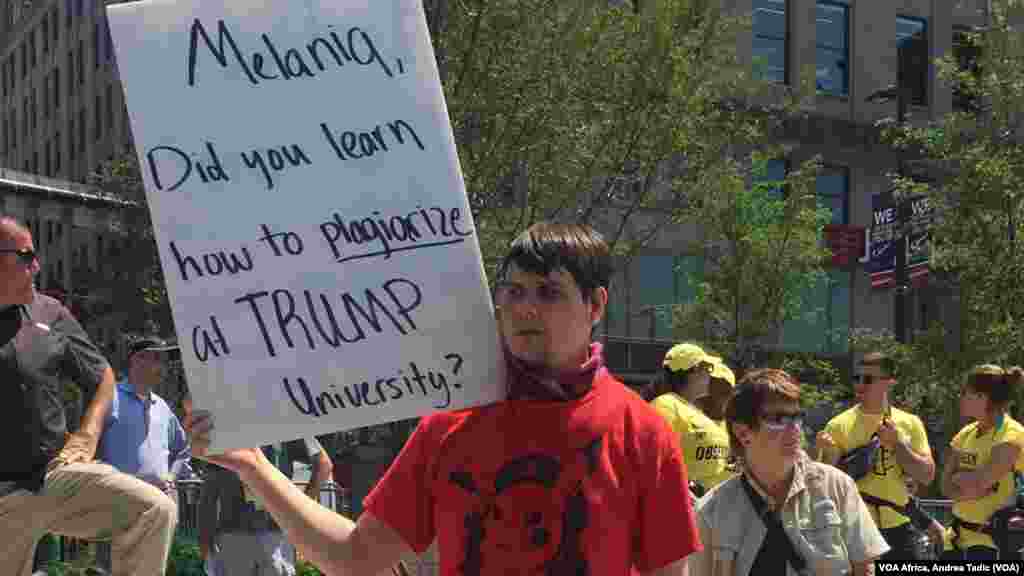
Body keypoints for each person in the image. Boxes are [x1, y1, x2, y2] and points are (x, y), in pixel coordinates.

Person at [191, 222, 700, 575]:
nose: (524, 308)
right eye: (513, 291)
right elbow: (353, 557)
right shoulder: (451, 424)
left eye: (549, 293)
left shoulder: (644, 433)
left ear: (595, 304)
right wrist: (254, 466)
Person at [0, 215, 177, 575]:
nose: (37, 265)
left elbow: (102, 376)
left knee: (153, 509)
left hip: (52, 479)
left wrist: (87, 434)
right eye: (26, 255)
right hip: (5, 499)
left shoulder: (50, 312)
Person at [689, 368, 889, 576]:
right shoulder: (711, 511)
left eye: (797, 417)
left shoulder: (837, 486)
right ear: (743, 433)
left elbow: (866, 568)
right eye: (778, 419)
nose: (794, 428)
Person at [815, 352, 936, 560]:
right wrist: (827, 457)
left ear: (889, 382)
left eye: (868, 379)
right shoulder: (838, 425)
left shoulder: (910, 422)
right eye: (857, 378)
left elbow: (927, 475)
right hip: (855, 528)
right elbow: (823, 488)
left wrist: (897, 444)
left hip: (899, 527)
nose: (860, 385)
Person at [198, 437, 333, 575]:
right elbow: (209, 486)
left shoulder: (286, 421)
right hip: (239, 534)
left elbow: (324, 465)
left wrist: (300, 512)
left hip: (268, 535)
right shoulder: (226, 427)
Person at [941, 364, 1024, 560]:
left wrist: (962, 479)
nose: (960, 398)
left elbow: (979, 485)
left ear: (983, 397)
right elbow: (945, 484)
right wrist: (969, 482)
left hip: (992, 544)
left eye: (965, 393)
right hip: (955, 538)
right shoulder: (966, 433)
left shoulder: (1012, 435)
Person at [98, 336, 194, 497]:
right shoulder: (109, 397)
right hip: (116, 504)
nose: (164, 367)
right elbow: (87, 449)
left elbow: (182, 449)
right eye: (158, 359)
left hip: (160, 504)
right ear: (137, 360)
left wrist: (171, 476)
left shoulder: (162, 407)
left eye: (165, 361)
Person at [651, 344, 734, 497]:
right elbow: (656, 462)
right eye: (708, 369)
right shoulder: (666, 406)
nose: (710, 375)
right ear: (694, 371)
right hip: (682, 505)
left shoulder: (691, 410)